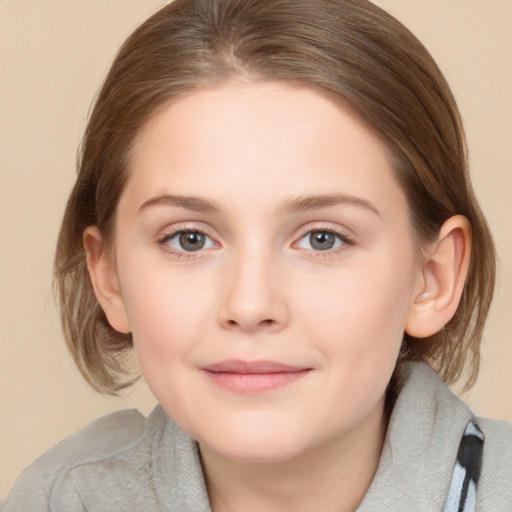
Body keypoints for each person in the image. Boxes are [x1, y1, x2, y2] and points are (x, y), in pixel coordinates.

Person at [3, 0, 511, 510]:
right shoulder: (61, 499)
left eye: (322, 239)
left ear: (432, 277)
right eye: (189, 239)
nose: (249, 305)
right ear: (109, 276)